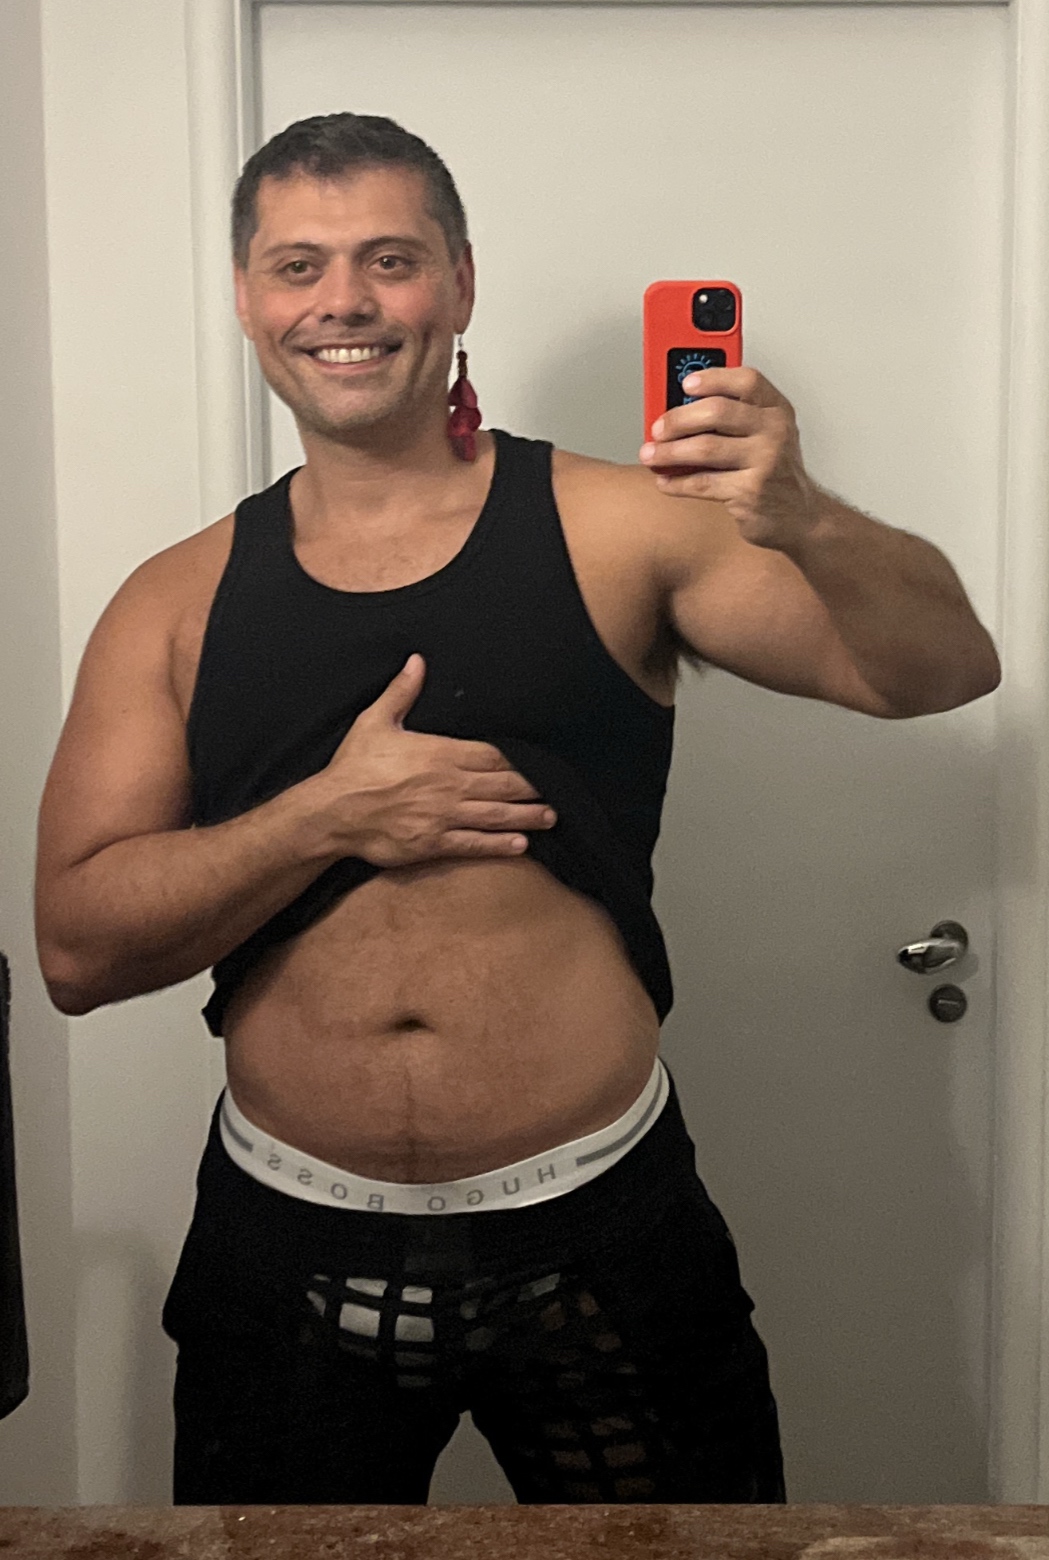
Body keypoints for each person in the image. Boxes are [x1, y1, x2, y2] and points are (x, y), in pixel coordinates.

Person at [34, 113, 1001, 1506]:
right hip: (289, 1252)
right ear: (247, 298)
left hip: (600, 1232)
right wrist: (326, 817)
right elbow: (75, 952)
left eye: (389, 259)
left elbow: (940, 671)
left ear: (461, 282)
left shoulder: (623, 527)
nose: (344, 300)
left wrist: (807, 517)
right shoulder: (173, 600)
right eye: (299, 265)